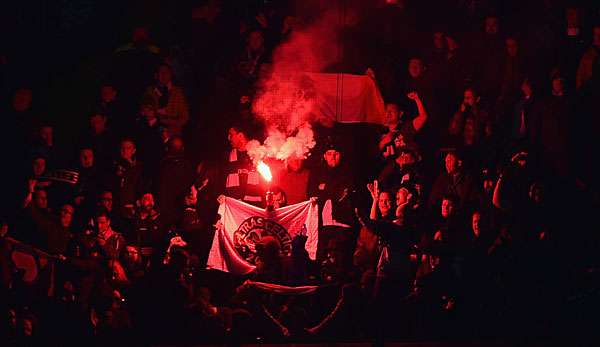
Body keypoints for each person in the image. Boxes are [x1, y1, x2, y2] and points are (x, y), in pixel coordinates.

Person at [142, 64, 189, 136]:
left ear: (171, 75)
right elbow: (145, 112)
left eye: (166, 72)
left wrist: (170, 121)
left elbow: (184, 117)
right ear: (156, 75)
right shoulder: (150, 91)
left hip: (173, 134)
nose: (164, 75)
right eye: (161, 72)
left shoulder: (178, 92)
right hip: (154, 133)